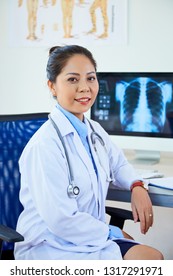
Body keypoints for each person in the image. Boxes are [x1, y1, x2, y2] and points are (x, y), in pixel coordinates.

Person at [14, 45, 164, 260]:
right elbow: (60, 220)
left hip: (87, 238)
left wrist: (136, 185)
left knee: (152, 258)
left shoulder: (93, 130)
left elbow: (119, 165)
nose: (85, 88)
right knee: (149, 261)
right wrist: (112, 232)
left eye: (91, 78)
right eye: (72, 79)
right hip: (50, 246)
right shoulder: (44, 146)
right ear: (52, 86)